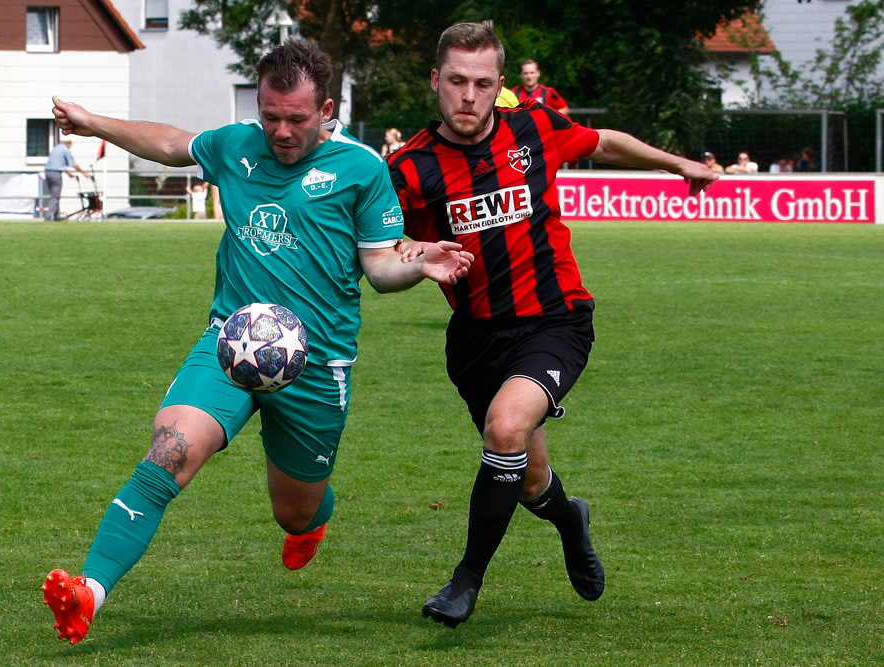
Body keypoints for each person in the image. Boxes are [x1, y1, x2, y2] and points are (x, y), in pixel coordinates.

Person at [41, 39, 472, 645]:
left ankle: (311, 522)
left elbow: (380, 266)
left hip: (316, 366)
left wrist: (420, 266)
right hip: (230, 344)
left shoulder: (362, 169)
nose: (281, 131)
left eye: (296, 118)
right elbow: (171, 145)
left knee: (292, 510)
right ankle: (89, 591)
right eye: (271, 116)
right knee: (168, 452)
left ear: (326, 109)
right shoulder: (237, 144)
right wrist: (93, 122)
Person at [387, 21, 718, 629]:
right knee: (529, 479)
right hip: (476, 339)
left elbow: (604, 142)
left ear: (499, 86)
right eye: (456, 81)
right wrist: (412, 249)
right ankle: (571, 518)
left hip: (555, 320)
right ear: (436, 81)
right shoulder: (410, 166)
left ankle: (465, 581)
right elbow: (384, 242)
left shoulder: (533, 128)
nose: (468, 95)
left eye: (482, 83)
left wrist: (676, 164)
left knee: (506, 427)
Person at [44, 137, 91, 220]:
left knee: (55, 195)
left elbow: (58, 164)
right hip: (56, 174)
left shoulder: (56, 148)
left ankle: (57, 216)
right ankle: (48, 216)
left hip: (48, 172)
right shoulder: (65, 150)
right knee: (55, 196)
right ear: (68, 143)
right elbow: (74, 164)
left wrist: (68, 173)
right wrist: (84, 173)